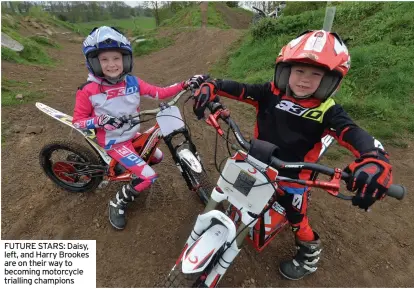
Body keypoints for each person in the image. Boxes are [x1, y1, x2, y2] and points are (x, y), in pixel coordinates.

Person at [193, 30, 393, 280]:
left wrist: (375, 157)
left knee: (296, 218)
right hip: (258, 163)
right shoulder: (271, 92)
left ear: (331, 80)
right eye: (299, 71)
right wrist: (214, 85)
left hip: (295, 178)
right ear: (286, 70)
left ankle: (309, 251)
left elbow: (352, 132)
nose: (304, 80)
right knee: (235, 190)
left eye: (316, 74)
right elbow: (242, 89)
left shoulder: (328, 110)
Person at [72, 26, 206, 230]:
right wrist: (99, 121)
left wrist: (186, 83)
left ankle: (130, 167)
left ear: (125, 59)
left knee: (158, 157)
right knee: (149, 176)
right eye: (104, 59)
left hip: (131, 134)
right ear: (93, 62)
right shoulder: (88, 90)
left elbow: (160, 92)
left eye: (116, 58)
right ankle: (117, 202)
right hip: (113, 142)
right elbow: (78, 121)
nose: (111, 64)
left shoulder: (132, 82)